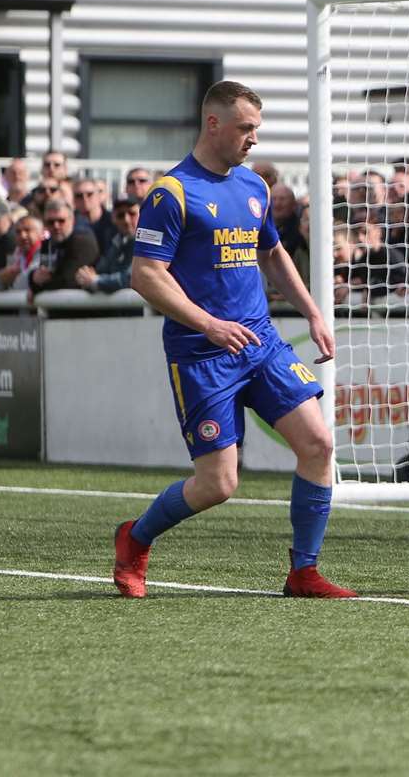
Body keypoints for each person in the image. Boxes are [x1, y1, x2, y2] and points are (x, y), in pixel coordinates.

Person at [113, 81, 352, 600]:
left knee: (319, 444)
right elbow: (146, 275)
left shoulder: (255, 187)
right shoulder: (171, 192)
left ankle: (303, 572)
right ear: (213, 124)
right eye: (246, 128)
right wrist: (209, 325)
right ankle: (135, 538)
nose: (254, 139)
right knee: (219, 484)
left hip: (261, 343)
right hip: (202, 355)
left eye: (257, 129)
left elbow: (273, 254)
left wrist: (312, 312)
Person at [29, 200, 99, 294]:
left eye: (61, 221)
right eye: (51, 222)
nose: (56, 226)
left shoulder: (82, 242)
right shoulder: (47, 244)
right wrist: (34, 277)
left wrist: (36, 287)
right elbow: (41, 275)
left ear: (72, 220)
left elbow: (67, 280)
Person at [78, 197, 140, 294]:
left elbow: (131, 279)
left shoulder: (148, 242)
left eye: (132, 214)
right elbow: (100, 270)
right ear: (114, 218)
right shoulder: (117, 242)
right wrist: (86, 276)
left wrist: (96, 281)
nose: (126, 220)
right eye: (121, 215)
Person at [0, 212, 43, 292]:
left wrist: (10, 282)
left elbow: (26, 282)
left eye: (27, 230)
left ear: (41, 233)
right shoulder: (16, 255)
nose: (23, 236)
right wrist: (0, 278)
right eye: (18, 232)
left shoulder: (45, 252)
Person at [74, 178, 115, 250]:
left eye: (89, 194)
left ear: (98, 196)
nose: (84, 199)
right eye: (79, 195)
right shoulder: (68, 222)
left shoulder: (114, 221)